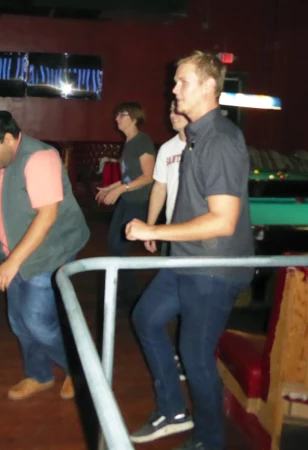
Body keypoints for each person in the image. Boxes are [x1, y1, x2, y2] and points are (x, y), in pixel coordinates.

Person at [125, 51, 254, 450]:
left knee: (196, 358)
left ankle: (209, 441)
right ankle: (173, 410)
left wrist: (154, 229)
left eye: (182, 82)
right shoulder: (197, 137)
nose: (173, 89)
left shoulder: (220, 139)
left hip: (213, 268)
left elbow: (222, 221)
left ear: (209, 87)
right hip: (187, 259)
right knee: (146, 319)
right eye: (175, 81)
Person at [0, 111, 89, 401]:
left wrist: (12, 262)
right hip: (17, 248)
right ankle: (39, 375)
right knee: (19, 320)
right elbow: (9, 199)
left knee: (37, 320)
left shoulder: (40, 158)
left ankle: (79, 369)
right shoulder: (2, 157)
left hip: (49, 250)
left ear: (9, 138)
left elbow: (47, 215)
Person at [96, 102, 155, 306]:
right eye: (117, 115)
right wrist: (111, 187)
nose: (117, 119)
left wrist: (121, 189)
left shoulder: (142, 140)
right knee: (114, 244)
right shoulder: (129, 143)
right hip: (127, 199)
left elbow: (149, 177)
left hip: (137, 202)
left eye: (121, 115)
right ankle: (127, 291)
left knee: (118, 245)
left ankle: (130, 294)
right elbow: (131, 176)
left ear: (134, 118)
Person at [146, 101, 189, 257]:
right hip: (171, 228)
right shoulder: (167, 148)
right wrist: (150, 227)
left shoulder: (207, 146)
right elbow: (159, 188)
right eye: (170, 110)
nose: (172, 115)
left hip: (199, 233)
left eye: (177, 110)